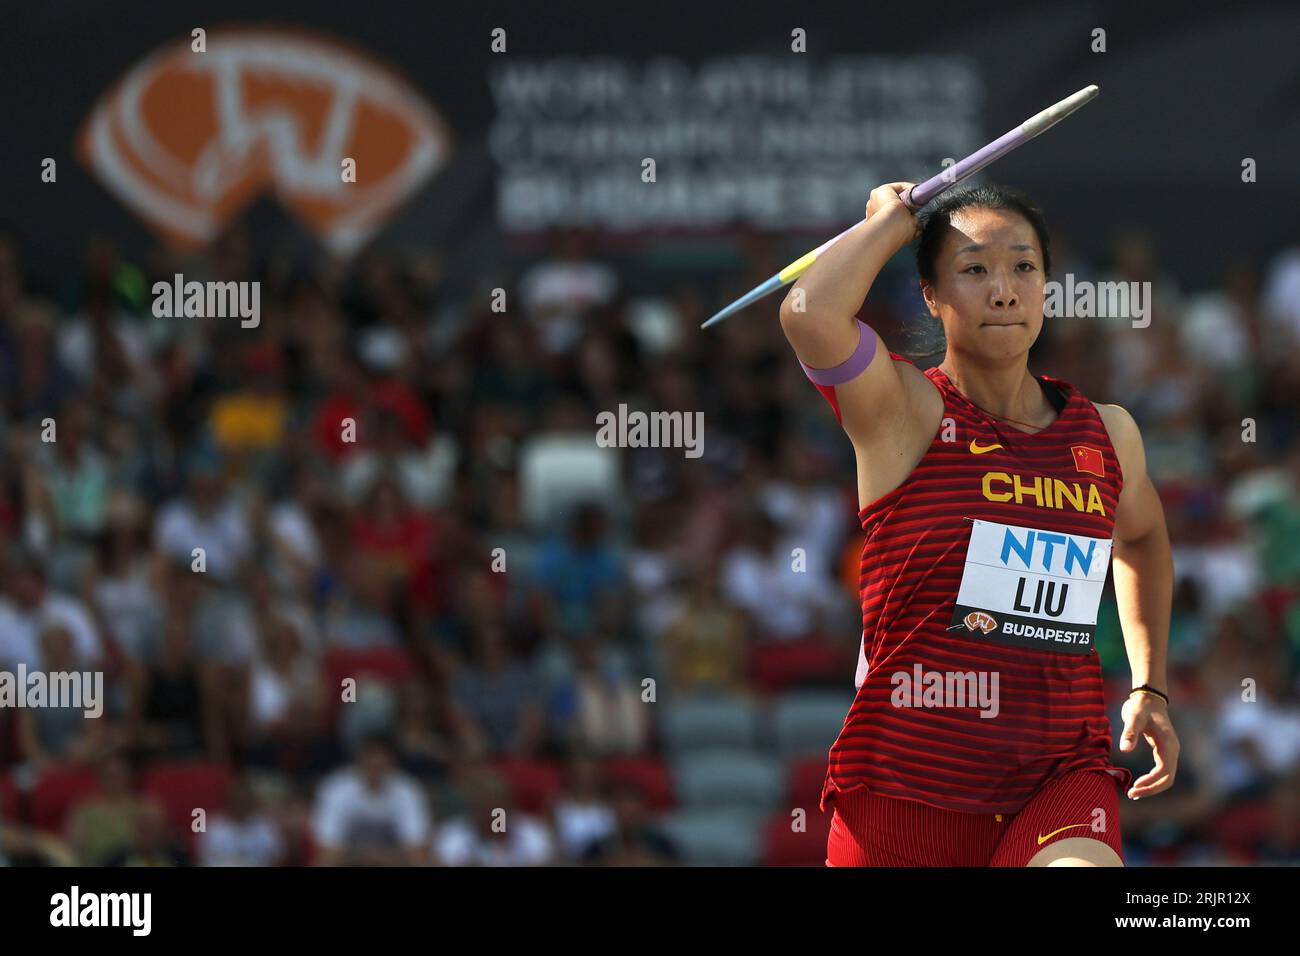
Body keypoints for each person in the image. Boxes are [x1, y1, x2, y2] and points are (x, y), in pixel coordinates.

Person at [779, 182, 1179, 866]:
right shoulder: (903, 411)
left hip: (1059, 773)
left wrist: (1149, 683)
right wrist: (888, 224)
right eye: (973, 270)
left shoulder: (1109, 434)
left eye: (1023, 267)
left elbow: (1139, 537)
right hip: (907, 784)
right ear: (930, 296)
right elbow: (809, 315)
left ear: (1048, 287)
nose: (1003, 290)